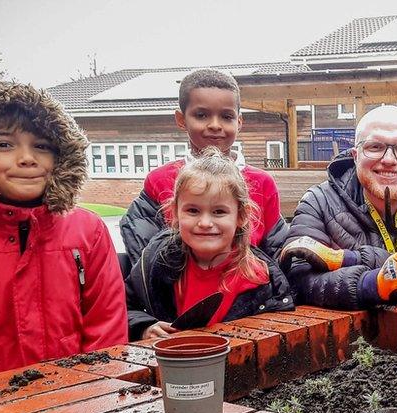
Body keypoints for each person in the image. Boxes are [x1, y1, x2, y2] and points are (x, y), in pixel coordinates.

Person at [0, 82, 127, 381]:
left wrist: (98, 390)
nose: (27, 158)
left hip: (68, 398)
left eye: (41, 146)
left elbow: (106, 326)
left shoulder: (88, 230)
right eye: (4, 144)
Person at [279, 105, 397, 309]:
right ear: (355, 155)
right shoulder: (318, 201)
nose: (389, 160)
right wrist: (371, 285)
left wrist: (346, 259)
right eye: (375, 147)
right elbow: (298, 279)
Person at [119, 68, 286, 265]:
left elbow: (276, 255)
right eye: (201, 115)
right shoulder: (159, 180)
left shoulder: (262, 183)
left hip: (249, 290)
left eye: (226, 116)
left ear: (239, 122)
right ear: (181, 119)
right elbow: (146, 258)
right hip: (179, 292)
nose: (215, 125)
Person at [125, 148, 293, 340]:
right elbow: (122, 306)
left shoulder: (261, 278)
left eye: (219, 212)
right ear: (175, 211)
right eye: (193, 210)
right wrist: (144, 326)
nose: (205, 223)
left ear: (242, 216)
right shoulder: (155, 260)